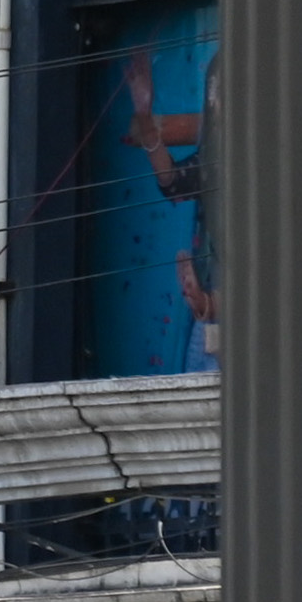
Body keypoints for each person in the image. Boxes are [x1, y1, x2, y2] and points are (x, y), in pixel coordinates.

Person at [123, 46, 221, 365]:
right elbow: (174, 183)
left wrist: (209, 303)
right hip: (212, 317)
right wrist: (146, 119)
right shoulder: (220, 157)